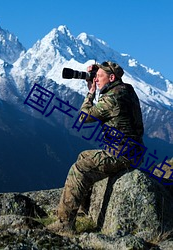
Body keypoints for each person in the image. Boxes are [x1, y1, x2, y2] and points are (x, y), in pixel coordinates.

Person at [47, 61, 144, 233]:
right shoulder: (125, 89)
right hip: (132, 151)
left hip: (121, 154)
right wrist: (97, 71)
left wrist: (90, 92)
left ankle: (64, 224)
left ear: (111, 78)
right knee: (84, 156)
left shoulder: (112, 98)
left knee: (79, 168)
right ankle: (84, 209)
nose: (96, 79)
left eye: (99, 77)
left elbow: (84, 117)